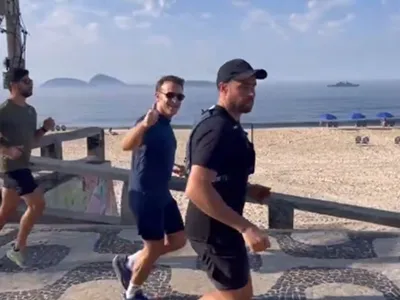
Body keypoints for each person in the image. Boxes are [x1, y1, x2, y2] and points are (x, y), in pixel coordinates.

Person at [184, 59, 272, 300]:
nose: (251, 92)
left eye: (253, 86)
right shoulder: (218, 129)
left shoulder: (224, 123)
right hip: (213, 229)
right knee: (237, 298)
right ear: (223, 88)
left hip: (221, 225)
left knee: (240, 295)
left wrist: (247, 188)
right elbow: (196, 187)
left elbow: (218, 175)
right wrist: (246, 227)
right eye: (243, 86)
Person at [112, 75, 187, 300]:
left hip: (161, 194)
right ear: (157, 96)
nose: (174, 100)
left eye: (179, 96)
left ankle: (131, 262)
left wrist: (171, 166)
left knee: (178, 240)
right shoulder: (150, 121)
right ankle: (132, 293)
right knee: (153, 248)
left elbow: (150, 151)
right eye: (170, 95)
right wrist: (144, 124)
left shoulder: (165, 124)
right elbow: (126, 145)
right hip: (145, 196)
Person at [0, 68, 55, 268]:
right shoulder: (4, 110)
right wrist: (6, 150)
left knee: (5, 212)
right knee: (37, 204)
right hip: (13, 168)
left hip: (23, 165)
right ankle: (18, 248)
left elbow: (31, 139)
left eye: (30, 80)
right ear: (13, 85)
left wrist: (44, 129)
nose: (30, 83)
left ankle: (17, 248)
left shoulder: (31, 111)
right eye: (25, 81)